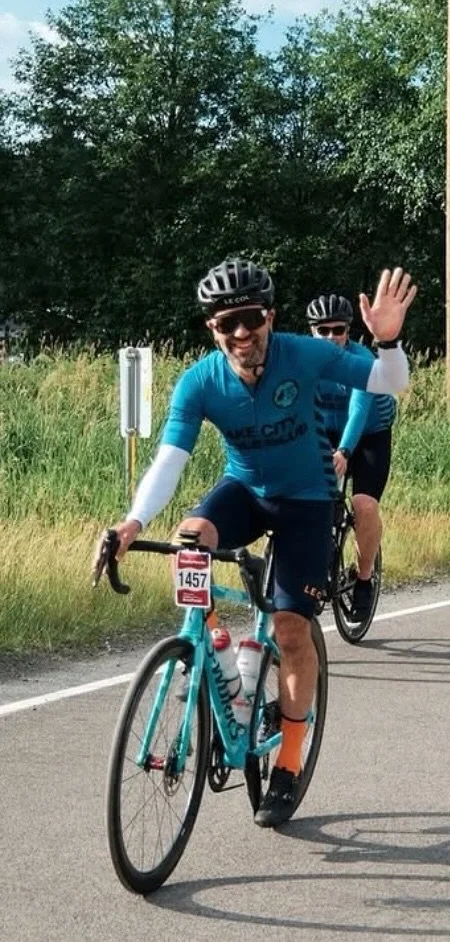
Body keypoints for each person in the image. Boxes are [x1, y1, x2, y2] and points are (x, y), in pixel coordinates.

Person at [99, 258, 416, 828]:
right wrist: (131, 523)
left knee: (292, 629)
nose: (242, 334)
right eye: (228, 324)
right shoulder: (200, 382)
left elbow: (388, 383)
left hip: (307, 501)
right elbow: (170, 460)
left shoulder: (303, 353)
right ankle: (217, 655)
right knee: (189, 539)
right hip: (244, 489)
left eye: (251, 319)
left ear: (269, 317)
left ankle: (288, 764)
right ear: (212, 330)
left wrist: (387, 343)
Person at [307, 293, 398, 621]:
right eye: (323, 330)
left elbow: (359, 411)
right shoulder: (305, 360)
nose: (331, 337)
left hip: (370, 432)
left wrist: (345, 451)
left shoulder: (361, 361)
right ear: (312, 332)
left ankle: (363, 579)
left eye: (338, 329)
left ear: (348, 330)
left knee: (364, 505)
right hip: (326, 430)